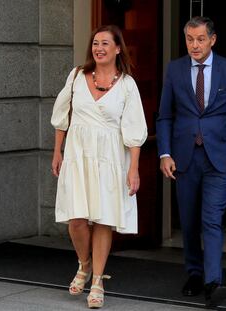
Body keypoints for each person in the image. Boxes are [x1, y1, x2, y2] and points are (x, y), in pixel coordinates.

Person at [156, 16, 226, 306]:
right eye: (189, 39)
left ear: (212, 39)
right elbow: (165, 116)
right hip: (184, 157)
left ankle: (213, 282)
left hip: (220, 158)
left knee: (211, 220)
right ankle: (194, 273)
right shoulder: (174, 70)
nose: (194, 45)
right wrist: (165, 153)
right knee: (189, 221)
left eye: (200, 39)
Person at [50, 25, 147, 309]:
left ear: (118, 49)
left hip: (111, 158)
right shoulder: (77, 75)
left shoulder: (127, 84)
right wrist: (58, 151)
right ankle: (85, 264)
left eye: (106, 43)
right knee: (77, 219)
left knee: (103, 218)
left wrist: (134, 169)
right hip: (78, 155)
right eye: (95, 43)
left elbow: (134, 130)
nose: (99, 48)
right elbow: (62, 115)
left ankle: (96, 282)